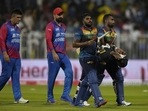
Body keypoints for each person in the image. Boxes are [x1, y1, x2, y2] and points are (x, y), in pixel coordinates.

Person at [96, 14, 132, 106]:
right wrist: (113, 52)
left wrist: (117, 49)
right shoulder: (101, 31)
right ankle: (83, 100)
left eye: (114, 19)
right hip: (102, 58)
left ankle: (121, 100)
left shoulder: (113, 32)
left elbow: (111, 45)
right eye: (111, 19)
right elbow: (103, 46)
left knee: (119, 77)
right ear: (106, 21)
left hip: (111, 58)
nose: (114, 21)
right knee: (96, 80)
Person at [72, 13, 107, 107]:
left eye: (90, 18)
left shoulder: (97, 30)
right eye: (87, 19)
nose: (90, 20)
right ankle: (98, 100)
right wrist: (88, 42)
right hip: (85, 57)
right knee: (93, 77)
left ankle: (77, 101)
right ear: (83, 21)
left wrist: (99, 39)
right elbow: (74, 44)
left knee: (86, 80)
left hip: (95, 57)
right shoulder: (79, 31)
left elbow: (102, 41)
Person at [0, 9, 29, 103]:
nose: (20, 19)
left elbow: (16, 42)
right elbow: (1, 40)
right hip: (7, 55)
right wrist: (4, 53)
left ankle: (18, 98)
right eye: (18, 17)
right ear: (12, 17)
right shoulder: (5, 27)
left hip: (17, 56)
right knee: (6, 76)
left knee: (16, 77)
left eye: (21, 17)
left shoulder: (17, 29)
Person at [45, 7, 73, 104]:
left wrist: (67, 47)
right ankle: (49, 97)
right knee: (52, 76)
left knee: (69, 72)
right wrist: (53, 52)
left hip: (63, 54)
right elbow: (48, 40)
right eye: (59, 14)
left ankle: (65, 95)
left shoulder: (63, 26)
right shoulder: (50, 26)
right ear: (54, 15)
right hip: (53, 54)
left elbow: (62, 39)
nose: (61, 16)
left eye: (62, 14)